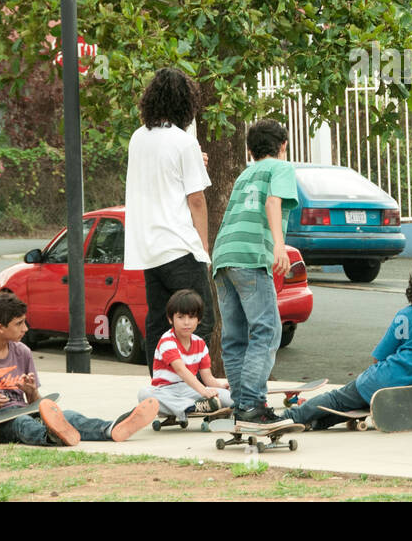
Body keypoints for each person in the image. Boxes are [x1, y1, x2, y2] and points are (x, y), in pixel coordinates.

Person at [0, 292, 159, 445]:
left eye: (25, 321)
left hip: (21, 410)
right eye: (19, 324)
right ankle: (52, 437)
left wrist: (31, 391)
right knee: (23, 424)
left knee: (67, 415)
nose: (25, 328)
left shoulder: (22, 351)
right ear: (0, 328)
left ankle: (111, 429)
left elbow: (34, 402)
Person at [283, 259, 412, 429]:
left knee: (338, 400)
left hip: (382, 380)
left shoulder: (405, 316)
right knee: (349, 404)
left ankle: (295, 417)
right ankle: (301, 419)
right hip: (409, 389)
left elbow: (378, 357)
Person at [211, 119, 300, 430]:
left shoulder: (244, 174)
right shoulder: (281, 168)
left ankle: (242, 405)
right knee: (267, 330)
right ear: (283, 145)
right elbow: (273, 202)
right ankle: (252, 404)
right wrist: (279, 245)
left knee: (234, 337)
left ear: (250, 150)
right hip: (250, 257)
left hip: (223, 255)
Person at [124, 68, 213, 377]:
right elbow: (196, 199)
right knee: (201, 319)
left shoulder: (138, 138)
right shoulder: (183, 142)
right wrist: (203, 246)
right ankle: (192, 387)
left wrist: (194, 160)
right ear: (185, 103)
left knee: (159, 322)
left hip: (149, 249)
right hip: (179, 245)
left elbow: (161, 174)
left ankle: (161, 385)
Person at [137, 288, 233, 420]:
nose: (186, 322)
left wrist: (222, 386)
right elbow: (181, 370)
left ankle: (191, 406)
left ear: (199, 320)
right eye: (180, 317)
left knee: (229, 396)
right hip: (166, 391)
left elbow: (208, 378)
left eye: (192, 317)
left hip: (191, 389)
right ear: (170, 319)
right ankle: (190, 407)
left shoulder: (200, 344)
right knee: (144, 394)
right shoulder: (167, 341)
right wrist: (204, 391)